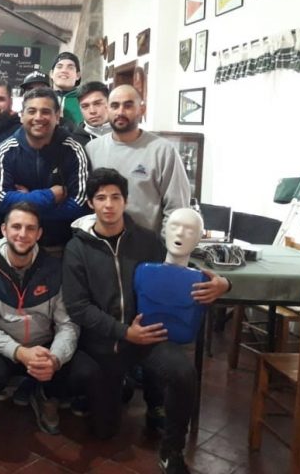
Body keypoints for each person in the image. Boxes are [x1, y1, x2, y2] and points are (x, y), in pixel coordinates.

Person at [62, 168, 230, 474]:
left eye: (116, 197)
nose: (109, 204)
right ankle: (122, 385)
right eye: (101, 198)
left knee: (182, 372)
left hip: (147, 337)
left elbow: (178, 268)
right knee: (104, 431)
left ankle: (172, 450)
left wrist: (223, 284)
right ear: (90, 203)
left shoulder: (147, 240)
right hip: (106, 342)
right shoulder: (77, 248)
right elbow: (78, 307)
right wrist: (124, 331)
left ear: (126, 201)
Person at [0, 202, 79, 434]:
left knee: (79, 368)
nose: (22, 234)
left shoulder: (55, 268)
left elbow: (67, 324)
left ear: (39, 233)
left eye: (30, 228)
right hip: (2, 345)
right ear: (4, 229)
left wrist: (55, 358)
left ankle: (46, 395)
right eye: (16, 227)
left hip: (43, 346)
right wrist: (19, 352)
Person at [0, 87, 89, 255]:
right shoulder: (7, 149)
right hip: (17, 245)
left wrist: (25, 202)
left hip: (60, 246)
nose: (38, 117)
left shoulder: (73, 149)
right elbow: (0, 199)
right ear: (21, 116)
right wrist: (50, 196)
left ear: (57, 117)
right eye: (32, 111)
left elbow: (79, 204)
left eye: (45, 112)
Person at [85, 84, 190, 234]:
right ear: (107, 109)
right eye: (115, 106)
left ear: (142, 109)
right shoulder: (92, 149)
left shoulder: (163, 151)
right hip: (102, 242)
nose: (120, 112)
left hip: (149, 244)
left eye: (128, 106)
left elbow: (177, 207)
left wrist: (165, 244)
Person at [70, 81, 112, 147]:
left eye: (97, 103)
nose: (92, 111)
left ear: (110, 103)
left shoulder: (126, 133)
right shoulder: (73, 142)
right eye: (85, 106)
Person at [49, 52, 84, 129]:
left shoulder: (85, 100)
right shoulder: (41, 98)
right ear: (51, 73)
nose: (64, 70)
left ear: (78, 75)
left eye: (70, 67)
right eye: (59, 67)